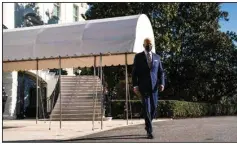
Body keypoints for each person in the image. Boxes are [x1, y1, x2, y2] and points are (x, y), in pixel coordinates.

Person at [132, 38, 165, 139]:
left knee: (154, 107)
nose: (149, 45)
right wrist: (135, 85)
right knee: (147, 108)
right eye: (147, 44)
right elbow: (134, 73)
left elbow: (161, 72)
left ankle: (148, 124)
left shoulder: (157, 57)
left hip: (154, 87)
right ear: (143, 45)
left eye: (150, 44)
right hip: (143, 87)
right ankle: (149, 131)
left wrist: (162, 83)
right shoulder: (138, 57)